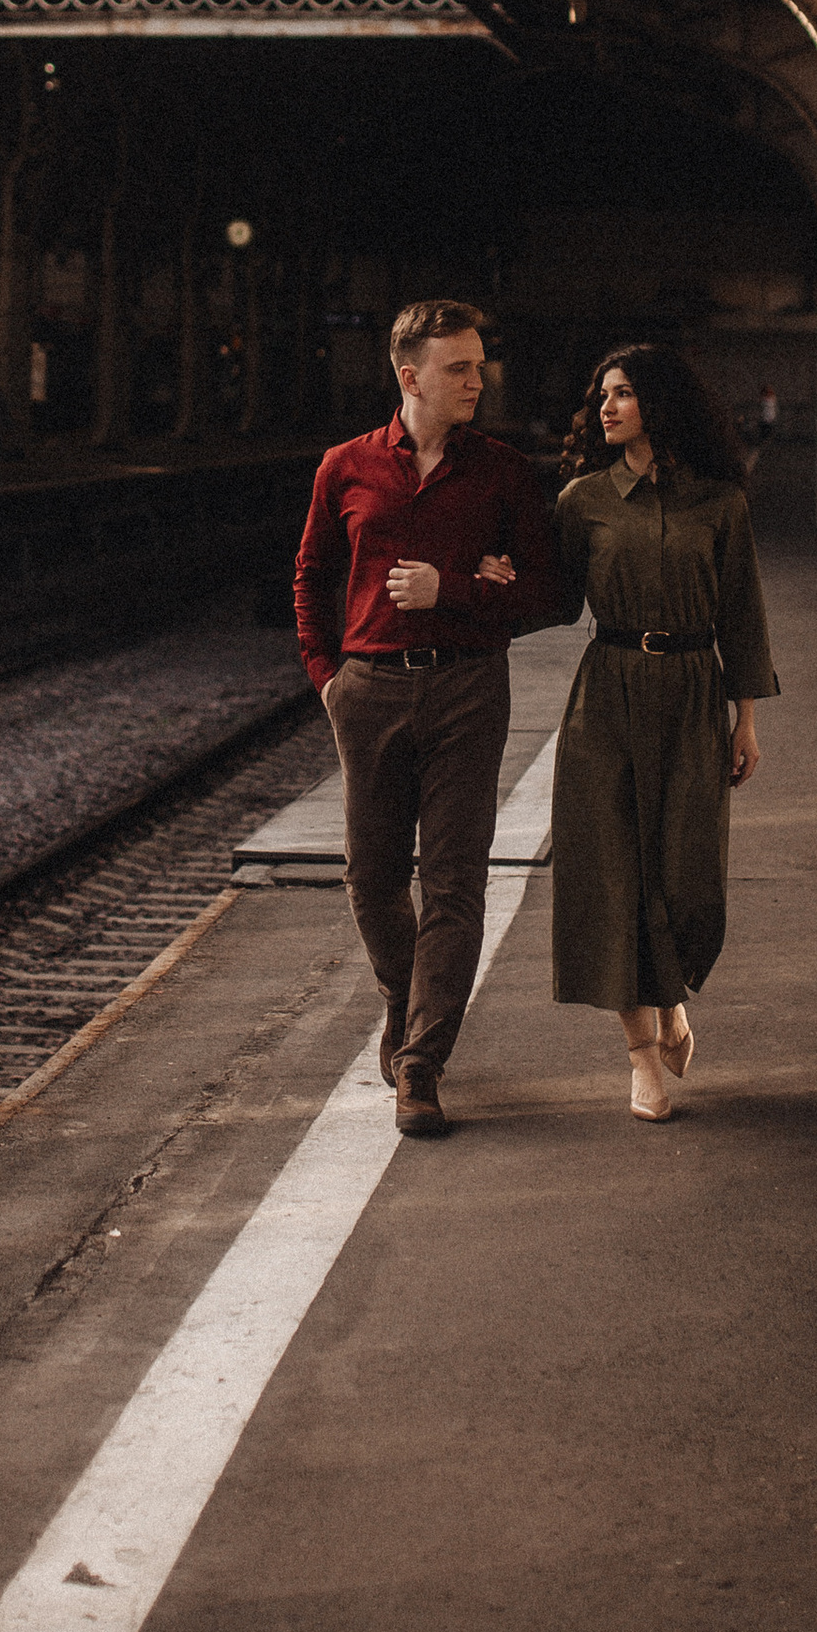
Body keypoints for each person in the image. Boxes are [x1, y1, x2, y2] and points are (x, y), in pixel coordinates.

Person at [293, 299, 560, 1138]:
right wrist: (327, 678)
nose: (477, 380)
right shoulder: (346, 467)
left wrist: (463, 590)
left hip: (469, 691)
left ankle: (420, 1064)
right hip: (368, 693)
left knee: (453, 882)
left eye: (479, 365)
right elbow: (310, 578)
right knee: (371, 880)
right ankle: (407, 1009)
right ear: (410, 377)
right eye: (459, 368)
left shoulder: (504, 472)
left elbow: (553, 594)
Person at [550, 343, 776, 1122]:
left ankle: (671, 996)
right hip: (607, 695)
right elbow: (550, 598)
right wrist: (472, 580)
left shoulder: (720, 503)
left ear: (662, 403)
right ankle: (641, 1059)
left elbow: (743, 615)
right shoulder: (583, 500)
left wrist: (746, 721)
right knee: (611, 875)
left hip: (690, 694)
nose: (606, 408)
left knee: (686, 875)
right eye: (602, 394)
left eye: (623, 395)